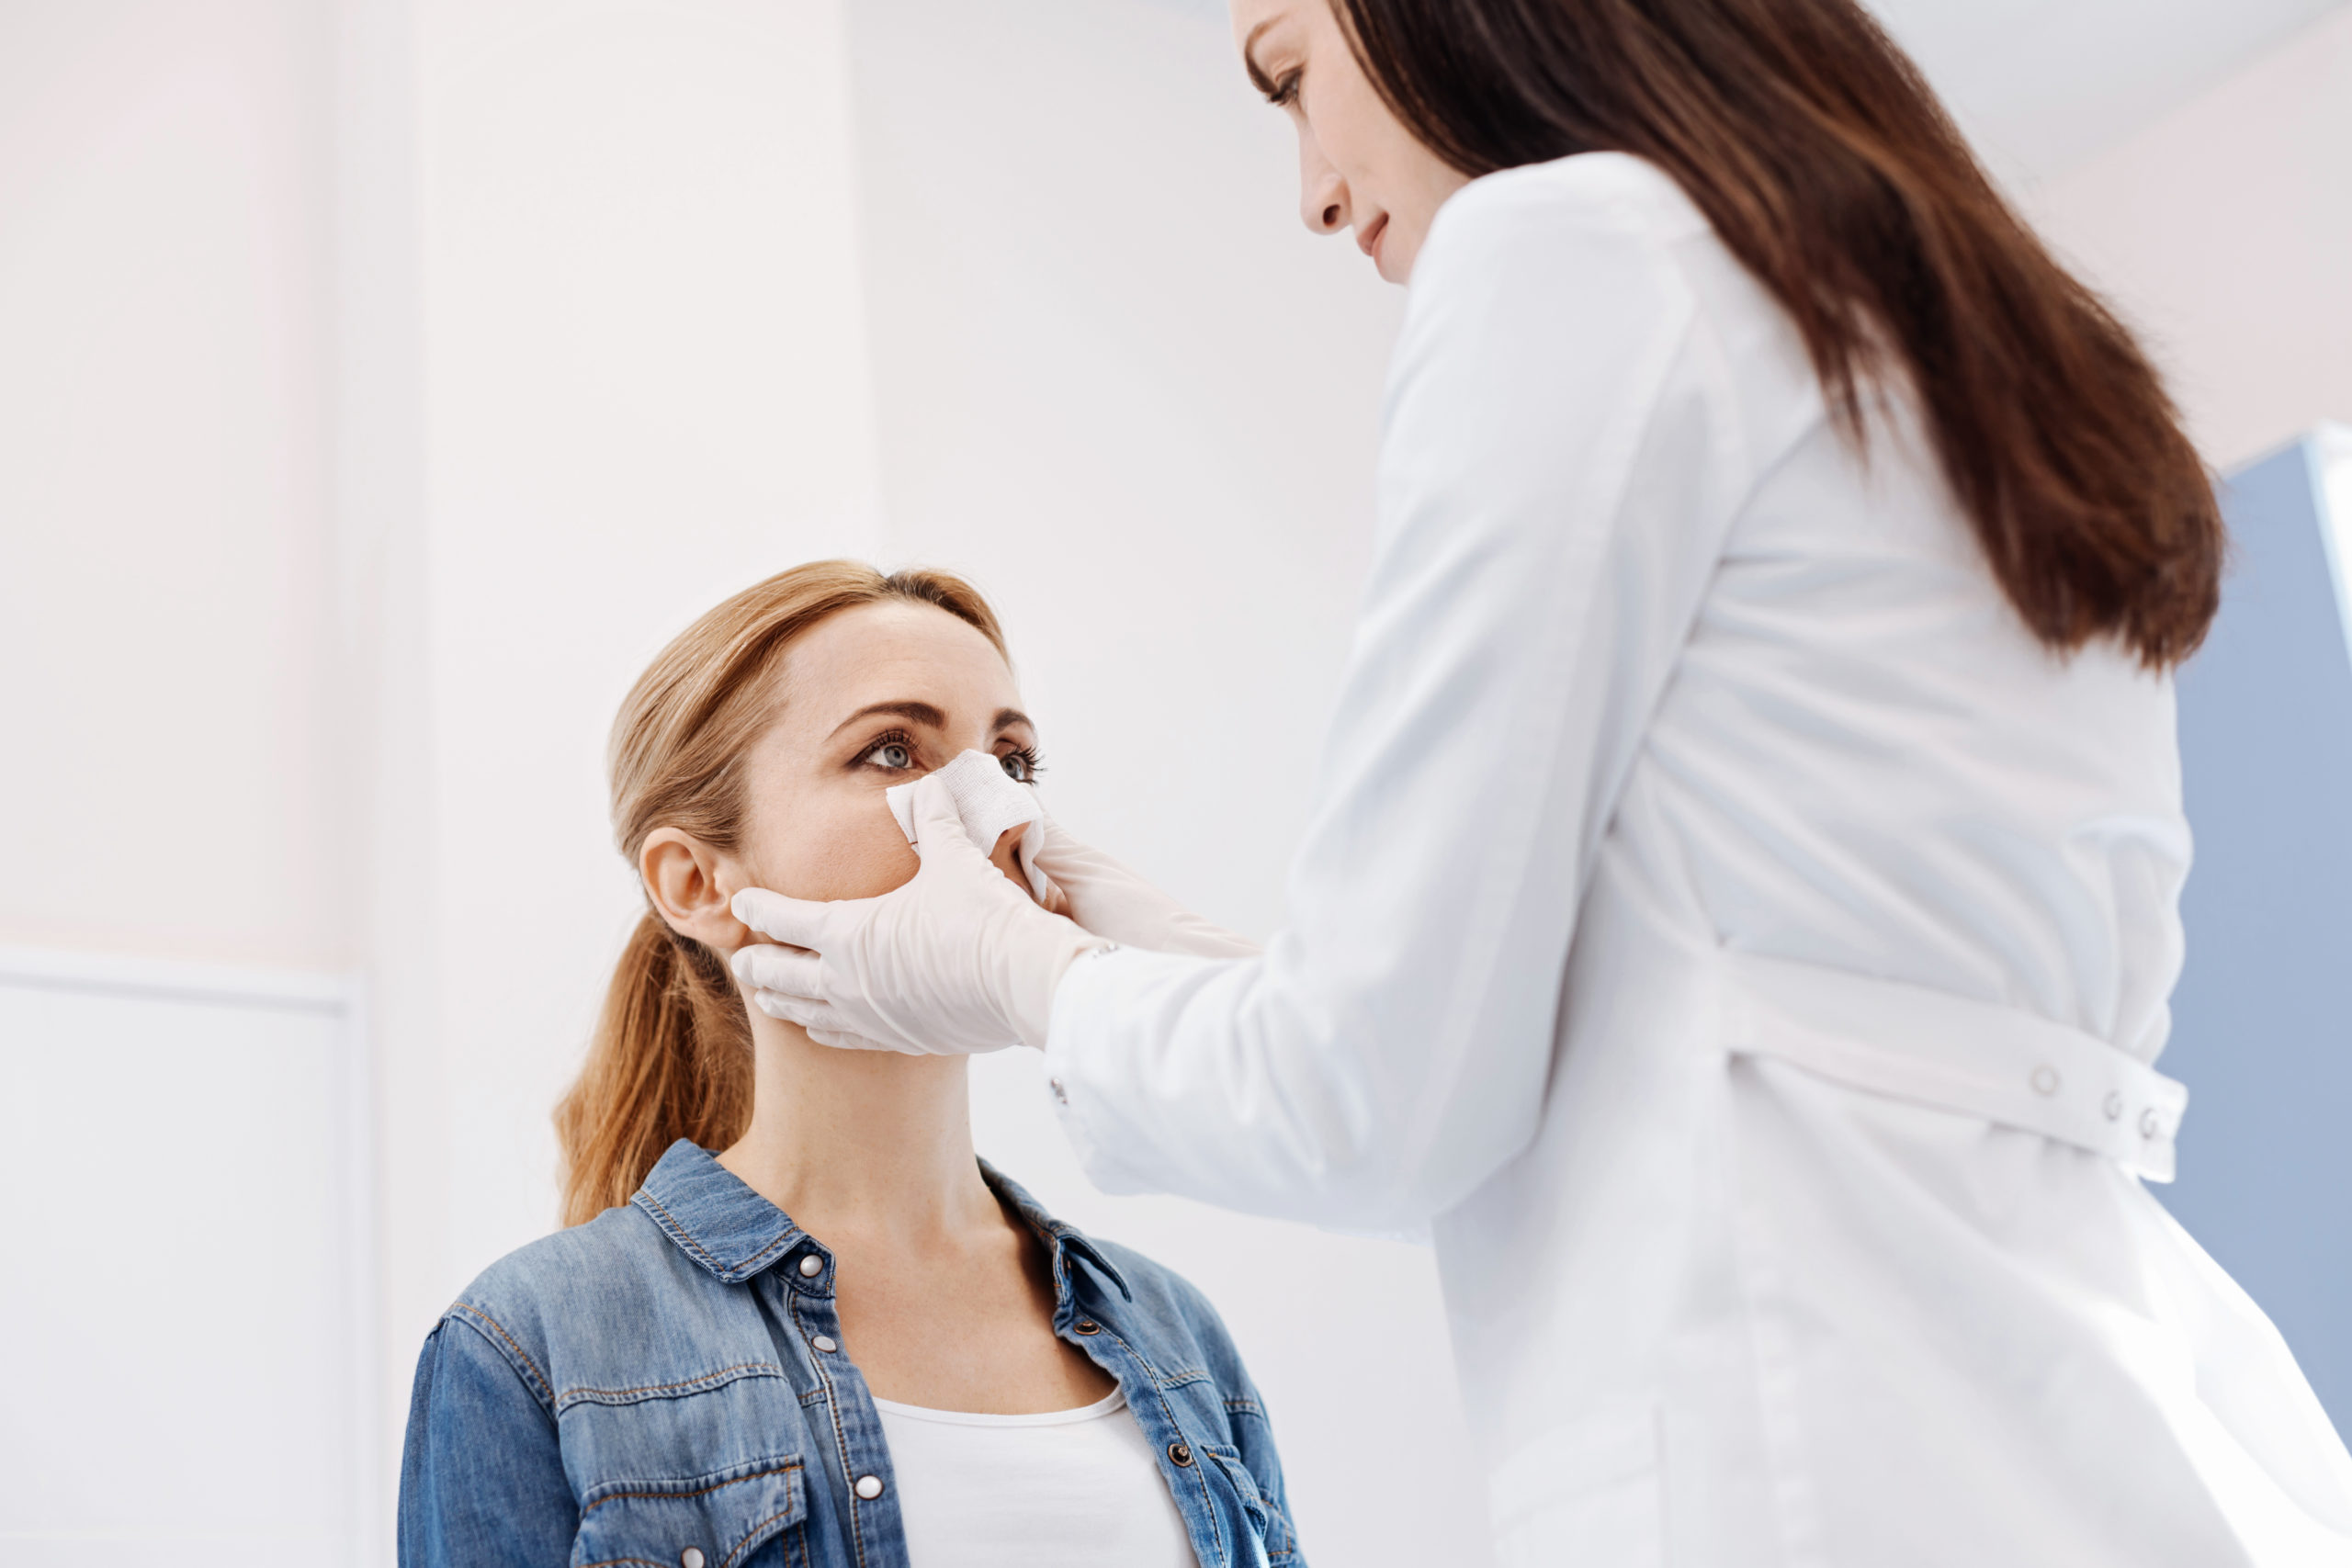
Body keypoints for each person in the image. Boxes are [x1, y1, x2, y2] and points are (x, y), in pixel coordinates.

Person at [725, 2, 2352, 1564]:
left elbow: (1377, 1097)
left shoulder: (1575, 258)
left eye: (1289, 78)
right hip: (2083, 1415)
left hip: (1828, 1444)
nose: (1315, 194)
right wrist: (1156, 964)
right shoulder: (1940, 339)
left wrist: (1037, 977)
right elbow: (1625, 1023)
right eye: (890, 752)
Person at [397, 563, 1301, 1568]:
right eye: (891, 751)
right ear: (694, 880)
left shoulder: (1174, 1332)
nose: (994, 814)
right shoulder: (533, 1343)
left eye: (1013, 760)